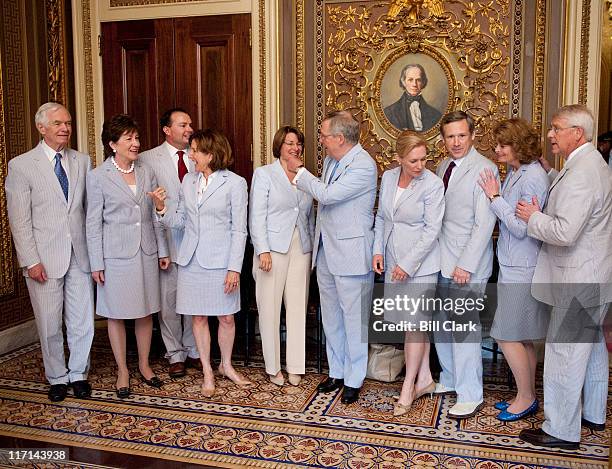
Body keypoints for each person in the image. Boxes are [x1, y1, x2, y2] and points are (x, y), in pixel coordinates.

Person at [516, 105, 612, 449]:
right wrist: (550, 174)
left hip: (577, 279)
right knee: (593, 349)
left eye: (556, 129)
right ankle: (594, 414)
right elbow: (571, 192)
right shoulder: (590, 164)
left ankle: (560, 430)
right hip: (593, 274)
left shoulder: (584, 172)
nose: (550, 134)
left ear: (578, 133)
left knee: (564, 355)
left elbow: (565, 231)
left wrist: (532, 217)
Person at [148, 129, 250, 397]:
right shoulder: (188, 182)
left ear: (210, 154)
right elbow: (180, 221)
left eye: (195, 151)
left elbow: (239, 230)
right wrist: (161, 209)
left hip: (221, 261)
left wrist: (234, 268)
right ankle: (207, 371)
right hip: (191, 261)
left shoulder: (235, 183)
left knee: (227, 317)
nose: (190, 155)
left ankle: (226, 365)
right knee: (199, 317)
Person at [285, 110, 377, 405]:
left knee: (354, 320)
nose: (321, 140)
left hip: (351, 253)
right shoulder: (331, 161)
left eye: (324, 135)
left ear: (339, 137)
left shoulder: (363, 165)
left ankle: (354, 378)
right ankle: (337, 371)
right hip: (326, 251)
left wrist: (300, 172)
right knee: (332, 317)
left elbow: (328, 196)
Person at [5, 102, 94, 402]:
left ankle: (79, 373)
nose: (65, 128)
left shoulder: (82, 161)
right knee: (49, 321)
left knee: (82, 320)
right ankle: (57, 377)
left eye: (67, 123)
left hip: (80, 255)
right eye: (58, 123)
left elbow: (85, 211)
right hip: (43, 259)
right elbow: (19, 219)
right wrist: (30, 260)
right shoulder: (21, 165)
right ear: (41, 127)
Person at [86, 114, 170, 398]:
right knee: (117, 314)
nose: (136, 143)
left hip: (146, 251)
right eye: (129, 139)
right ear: (112, 144)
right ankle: (123, 369)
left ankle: (145, 366)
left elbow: (155, 213)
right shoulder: (98, 177)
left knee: (146, 311)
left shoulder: (147, 172)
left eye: (136, 137)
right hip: (115, 257)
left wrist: (163, 249)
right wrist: (96, 262)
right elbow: (92, 223)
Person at [476, 119, 549, 422]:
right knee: (523, 336)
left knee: (506, 335)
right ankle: (524, 395)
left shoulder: (531, 178)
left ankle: (527, 397)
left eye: (502, 144)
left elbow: (522, 228)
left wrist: (494, 198)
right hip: (514, 263)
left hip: (521, 266)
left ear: (518, 145)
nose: (496, 150)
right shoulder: (520, 171)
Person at [372, 130, 444, 416]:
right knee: (410, 324)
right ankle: (425, 377)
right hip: (392, 261)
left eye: (423, 159)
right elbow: (380, 217)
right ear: (398, 158)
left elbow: (431, 231)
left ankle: (408, 386)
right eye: (413, 160)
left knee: (414, 326)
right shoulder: (389, 178)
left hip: (421, 267)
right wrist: (378, 251)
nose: (419, 166)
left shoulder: (433, 185)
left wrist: (407, 265)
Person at [433, 110, 498, 419]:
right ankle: (450, 378)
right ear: (443, 138)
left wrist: (466, 265)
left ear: (472, 135)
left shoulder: (485, 168)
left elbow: (484, 225)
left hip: (466, 264)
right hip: (442, 259)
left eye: (461, 135)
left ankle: (471, 394)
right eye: (450, 136)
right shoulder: (443, 165)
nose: (456, 142)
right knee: (442, 326)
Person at [249, 126, 314, 386]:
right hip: (272, 249)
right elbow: (257, 215)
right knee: (269, 308)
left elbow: (309, 215)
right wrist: (262, 249)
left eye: (298, 143)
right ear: (279, 146)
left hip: (301, 247)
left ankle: (296, 365)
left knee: (298, 307)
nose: (295, 148)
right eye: (289, 143)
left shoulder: (306, 176)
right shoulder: (264, 174)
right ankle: (273, 366)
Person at [140, 108, 200, 378]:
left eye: (190, 125)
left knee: (193, 300)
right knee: (169, 301)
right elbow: (148, 207)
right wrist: (161, 249)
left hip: (195, 242)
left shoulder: (198, 154)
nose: (189, 129)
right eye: (182, 125)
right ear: (166, 129)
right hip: (166, 240)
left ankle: (193, 350)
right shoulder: (147, 159)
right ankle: (175, 353)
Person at [383, 64, 442, 132]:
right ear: (403, 81)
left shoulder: (436, 115)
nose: (414, 84)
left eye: (418, 80)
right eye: (410, 80)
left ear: (423, 82)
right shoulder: (389, 113)